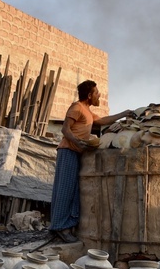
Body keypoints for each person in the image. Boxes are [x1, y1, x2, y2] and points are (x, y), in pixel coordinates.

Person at [49, 80, 131, 243]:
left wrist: (124, 113)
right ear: (89, 95)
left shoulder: (86, 111)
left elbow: (102, 121)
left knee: (73, 191)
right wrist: (77, 141)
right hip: (68, 151)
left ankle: (66, 226)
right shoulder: (77, 107)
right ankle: (59, 228)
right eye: (96, 92)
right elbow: (65, 129)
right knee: (65, 190)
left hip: (76, 152)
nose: (99, 95)